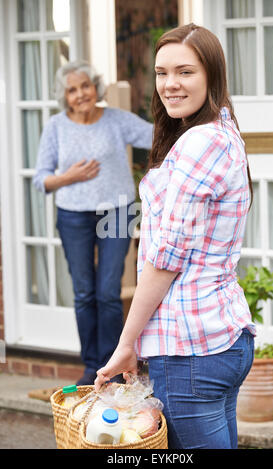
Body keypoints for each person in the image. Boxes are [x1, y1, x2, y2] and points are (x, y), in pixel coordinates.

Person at [94, 23, 257, 449]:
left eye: (185, 72)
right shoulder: (222, 132)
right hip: (221, 337)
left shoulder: (199, 143)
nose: (170, 84)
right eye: (162, 73)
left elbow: (165, 258)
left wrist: (125, 344)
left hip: (189, 352)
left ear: (212, 76)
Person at [33, 60, 153, 386]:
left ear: (95, 87)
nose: (81, 94)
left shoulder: (115, 120)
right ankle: (92, 365)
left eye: (85, 85)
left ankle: (112, 366)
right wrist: (68, 176)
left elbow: (156, 136)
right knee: (85, 293)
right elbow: (40, 180)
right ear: (65, 96)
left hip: (115, 211)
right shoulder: (56, 126)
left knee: (108, 293)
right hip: (73, 215)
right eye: (72, 90)